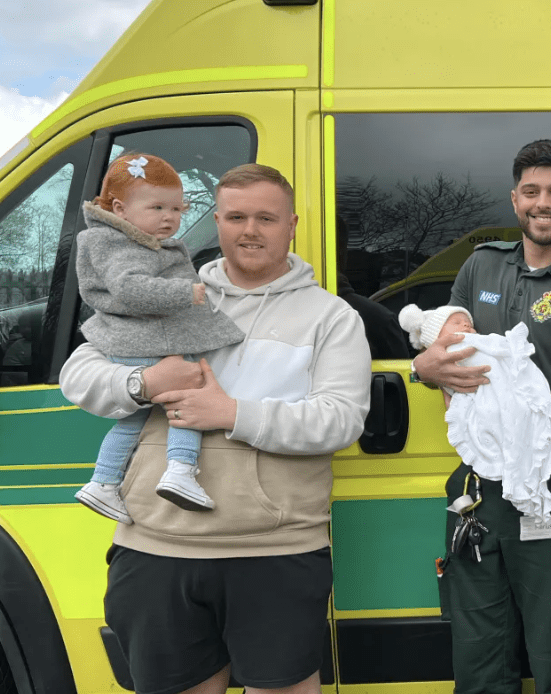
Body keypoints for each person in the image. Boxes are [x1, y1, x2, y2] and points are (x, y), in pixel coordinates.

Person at [60, 163, 371, 694]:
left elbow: (340, 420)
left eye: (266, 218)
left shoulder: (331, 316)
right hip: (155, 547)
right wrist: (144, 382)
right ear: (217, 222)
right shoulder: (166, 293)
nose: (250, 230)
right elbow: (78, 375)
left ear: (292, 225)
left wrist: (231, 414)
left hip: (274, 550)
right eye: (235, 217)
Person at [412, 139, 551, 694]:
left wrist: (496, 423)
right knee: (478, 659)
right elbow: (448, 363)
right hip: (478, 495)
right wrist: (423, 368)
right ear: (514, 200)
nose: (543, 203)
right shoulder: (481, 264)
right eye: (531, 191)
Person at [73, 153, 246, 522]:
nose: (170, 217)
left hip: (138, 338)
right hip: (149, 340)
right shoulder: (122, 244)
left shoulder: (125, 239)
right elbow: (130, 288)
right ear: (119, 209)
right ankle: (181, 470)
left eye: (176, 208)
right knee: (189, 399)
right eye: (157, 208)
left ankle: (103, 482)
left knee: (131, 422)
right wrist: (185, 293)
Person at [399, 303, 551, 521]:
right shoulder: (455, 350)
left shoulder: (479, 342)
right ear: (436, 338)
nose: (465, 325)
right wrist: (421, 366)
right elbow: (440, 371)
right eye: (456, 323)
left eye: (468, 323)